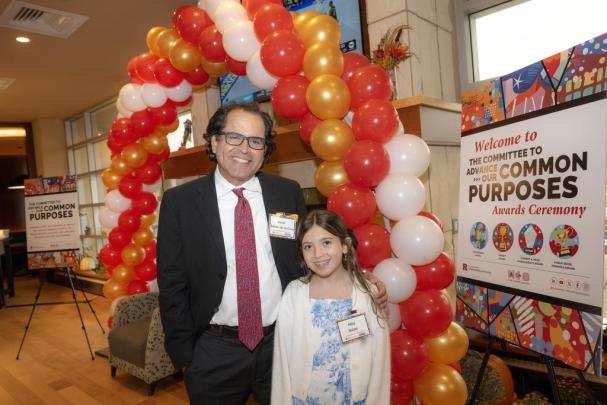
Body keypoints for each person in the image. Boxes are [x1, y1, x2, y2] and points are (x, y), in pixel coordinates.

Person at [157, 102, 386, 404]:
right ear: (214, 141)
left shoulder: (285, 192)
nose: (245, 149)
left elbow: (316, 244)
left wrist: (362, 279)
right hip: (214, 350)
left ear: (265, 150)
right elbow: (172, 282)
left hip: (282, 343)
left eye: (256, 141)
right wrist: (185, 354)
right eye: (234, 137)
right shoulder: (180, 202)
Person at [272, 210, 390, 404]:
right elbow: (282, 361)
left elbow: (380, 361)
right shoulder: (294, 294)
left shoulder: (367, 293)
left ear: (345, 246)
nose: (318, 254)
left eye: (326, 243)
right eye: (308, 247)